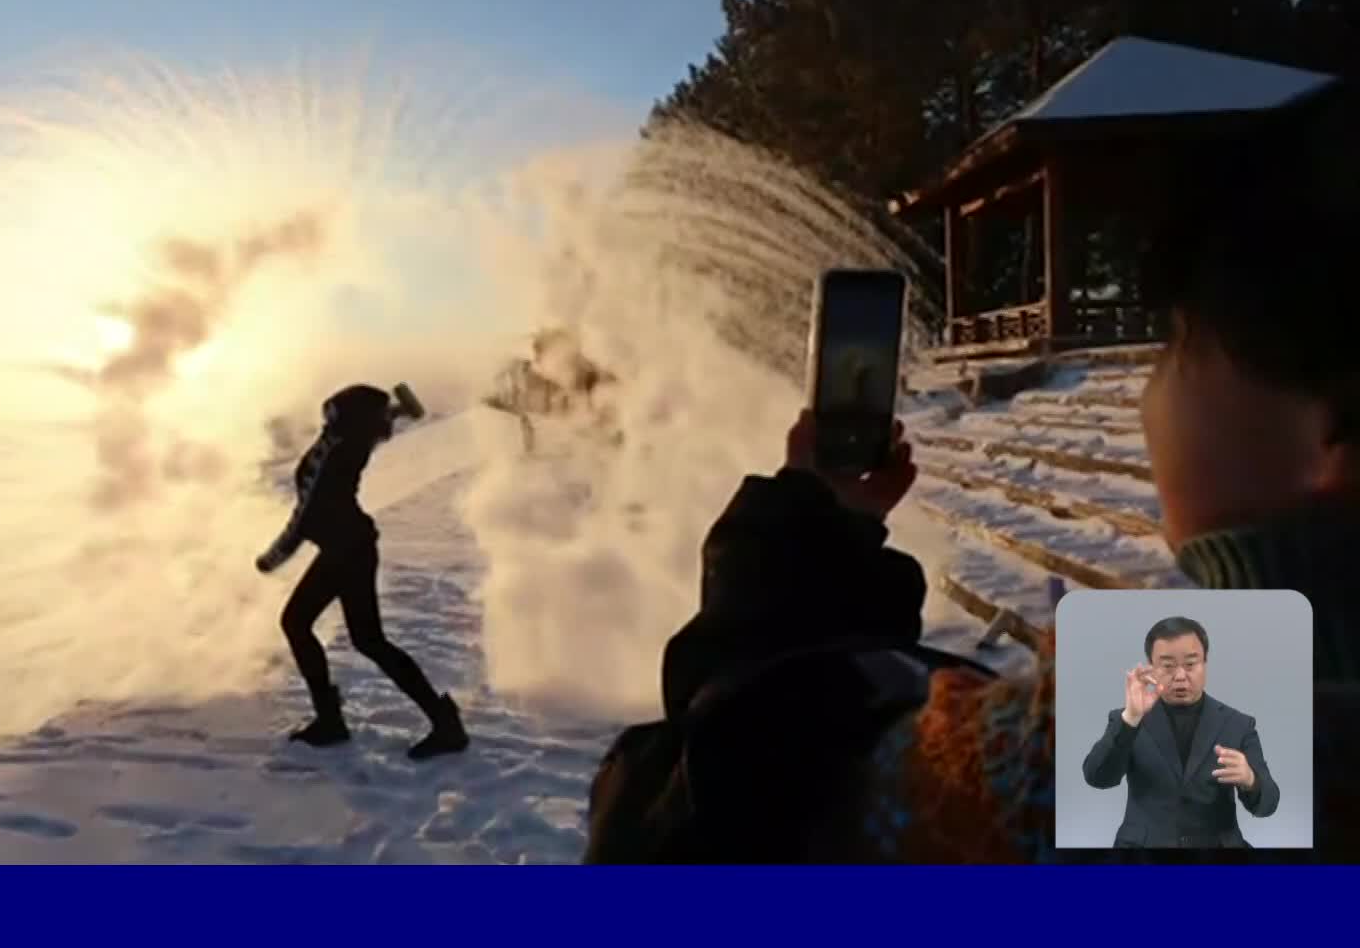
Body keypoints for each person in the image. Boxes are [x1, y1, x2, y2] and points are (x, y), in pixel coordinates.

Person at [584, 90, 1360, 862]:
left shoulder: (1158, 750)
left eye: (1176, 342)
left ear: (1330, 435)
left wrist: (794, 533)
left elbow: (700, 811)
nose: (1153, 386)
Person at [255, 382, 470, 760]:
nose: (327, 414)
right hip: (351, 547)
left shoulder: (337, 449)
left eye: (334, 411)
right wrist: (400, 409)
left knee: (301, 623)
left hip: (345, 550)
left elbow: (306, 514)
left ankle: (333, 721)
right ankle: (440, 720)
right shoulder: (355, 439)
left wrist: (275, 555)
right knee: (367, 639)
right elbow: (384, 418)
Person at [1081, 616, 1280, 848]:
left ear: (1205, 663)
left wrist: (1250, 780)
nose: (1180, 676)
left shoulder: (1237, 724)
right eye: (1167, 666)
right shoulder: (1127, 720)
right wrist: (1131, 718)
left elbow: (1268, 804)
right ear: (1151, 668)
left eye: (1190, 664)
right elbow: (1098, 778)